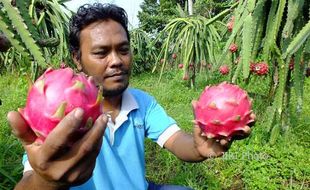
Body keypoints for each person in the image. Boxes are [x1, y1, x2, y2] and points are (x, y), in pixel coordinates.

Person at [7, 3, 253, 190]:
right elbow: (29, 179)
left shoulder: (142, 102)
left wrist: (199, 149)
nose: (116, 61)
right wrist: (44, 180)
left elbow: (177, 140)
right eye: (101, 53)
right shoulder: (62, 110)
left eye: (123, 50)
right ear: (77, 58)